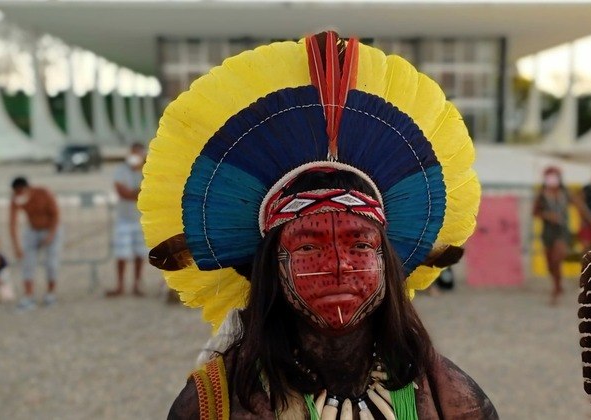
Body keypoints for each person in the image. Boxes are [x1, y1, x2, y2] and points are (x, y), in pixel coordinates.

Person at [140, 32, 498, 418]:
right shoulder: (215, 404)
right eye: (308, 247)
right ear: (272, 265)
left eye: (359, 245)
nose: (339, 266)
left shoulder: (450, 398)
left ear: (387, 262)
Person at [533, 166, 591, 305]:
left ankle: (557, 288)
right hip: (548, 232)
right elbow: (535, 212)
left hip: (562, 231)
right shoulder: (542, 194)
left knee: (557, 258)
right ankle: (557, 285)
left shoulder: (566, 193)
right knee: (550, 264)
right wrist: (547, 215)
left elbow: (581, 208)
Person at [9, 176, 62, 309]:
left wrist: (50, 235)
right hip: (32, 230)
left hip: (51, 229)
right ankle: (28, 295)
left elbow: (56, 215)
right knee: (28, 263)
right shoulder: (16, 199)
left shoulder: (43, 193)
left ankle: (50, 293)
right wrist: (16, 247)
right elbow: (12, 223)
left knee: (51, 263)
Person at [106, 142, 147, 297]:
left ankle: (136, 284)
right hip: (123, 218)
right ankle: (120, 285)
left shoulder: (146, 171)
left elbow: (137, 193)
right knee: (121, 254)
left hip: (140, 219)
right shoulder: (121, 170)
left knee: (139, 254)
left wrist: (135, 193)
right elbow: (123, 193)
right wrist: (139, 191)